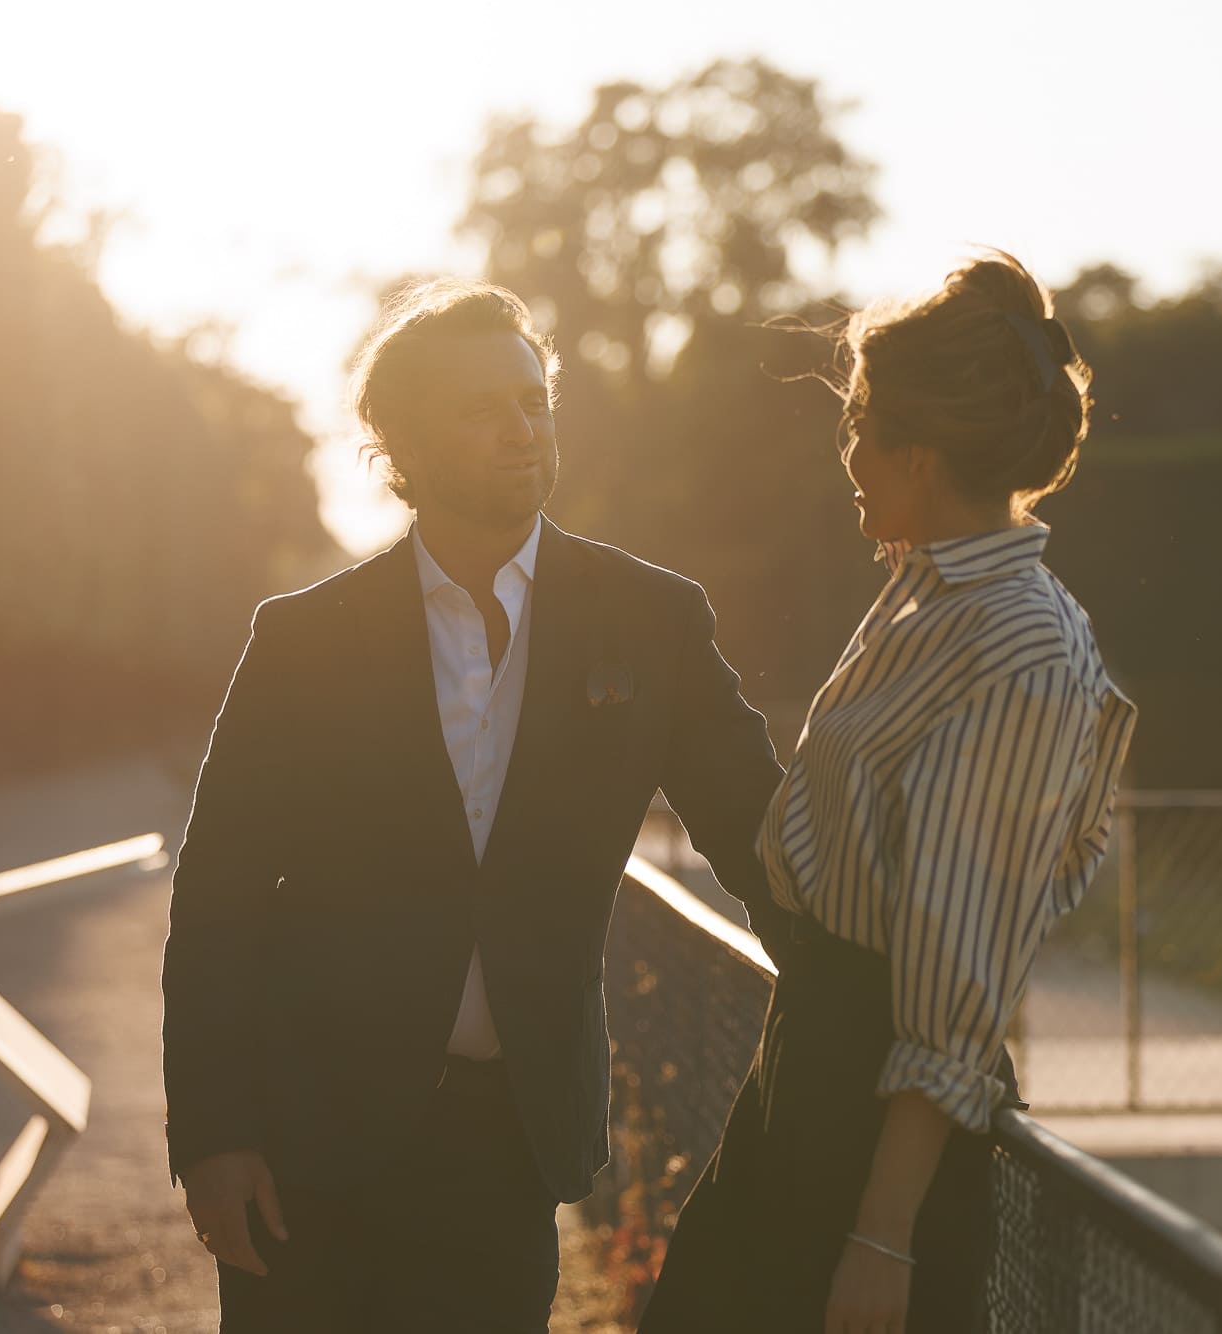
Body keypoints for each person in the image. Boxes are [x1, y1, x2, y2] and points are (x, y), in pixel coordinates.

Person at [160, 279, 790, 1332]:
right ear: (400, 441)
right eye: (482, 408)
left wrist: (893, 1005)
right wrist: (214, 1138)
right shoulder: (303, 640)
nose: (522, 429)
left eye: (533, 400)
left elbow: (767, 844)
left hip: (509, 1144)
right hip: (306, 1139)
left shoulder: (650, 620)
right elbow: (216, 896)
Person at [639, 253, 1137, 1334]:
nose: (848, 456)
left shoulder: (1020, 645)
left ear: (914, 454)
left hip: (874, 1128)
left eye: (858, 427)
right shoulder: (923, 594)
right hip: (807, 1064)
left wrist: (881, 1232)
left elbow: (957, 977)